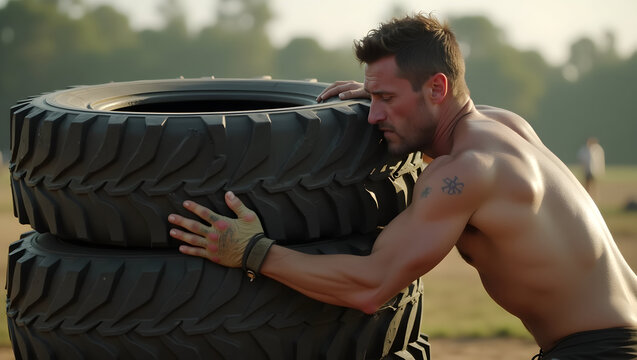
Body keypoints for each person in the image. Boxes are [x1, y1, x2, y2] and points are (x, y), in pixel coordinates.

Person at [168, 13, 637, 359]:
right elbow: (440, 132)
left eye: (386, 98)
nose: (373, 115)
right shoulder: (504, 127)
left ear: (436, 87)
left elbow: (371, 287)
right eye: (372, 97)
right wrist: (376, 97)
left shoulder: (464, 173)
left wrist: (252, 252)